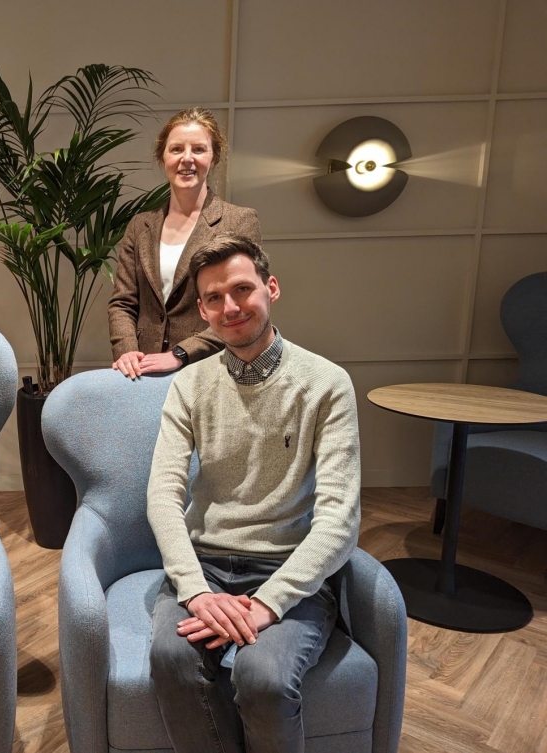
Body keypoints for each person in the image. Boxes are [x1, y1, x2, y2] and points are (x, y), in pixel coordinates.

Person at [146, 235, 360, 753]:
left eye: (242, 289)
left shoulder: (327, 383)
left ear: (271, 288)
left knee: (262, 675)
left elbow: (340, 519)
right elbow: (163, 494)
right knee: (172, 658)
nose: (231, 307)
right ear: (202, 310)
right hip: (206, 564)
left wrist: (269, 604)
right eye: (214, 298)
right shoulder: (189, 385)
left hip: (288, 566)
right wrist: (195, 589)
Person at [109, 108, 262, 379]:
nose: (187, 159)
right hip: (143, 375)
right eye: (177, 149)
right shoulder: (140, 225)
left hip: (210, 371)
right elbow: (123, 303)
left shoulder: (238, 221)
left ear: (214, 158)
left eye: (199, 149)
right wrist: (128, 352)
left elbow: (241, 307)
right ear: (163, 157)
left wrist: (181, 353)